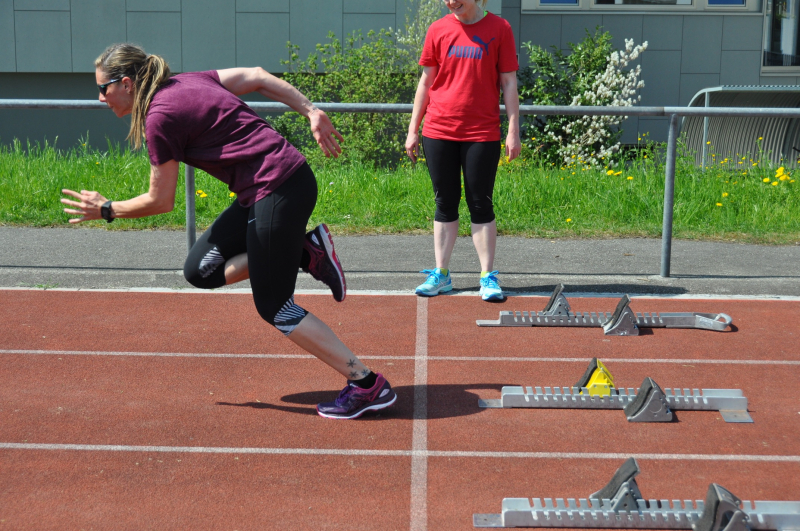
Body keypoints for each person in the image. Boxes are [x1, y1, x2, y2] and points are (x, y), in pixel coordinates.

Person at [60, 43, 396, 419]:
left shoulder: (159, 118)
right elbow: (255, 75)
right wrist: (310, 110)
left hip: (278, 188)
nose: (100, 97)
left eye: (102, 89)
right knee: (200, 270)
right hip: (269, 190)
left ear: (125, 84)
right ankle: (304, 251)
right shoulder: (189, 81)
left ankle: (367, 384)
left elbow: (160, 200)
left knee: (275, 307)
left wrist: (106, 209)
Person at [405, 0, 520, 301]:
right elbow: (426, 81)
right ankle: (441, 274)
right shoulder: (438, 29)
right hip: (438, 130)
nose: (451, 2)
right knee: (445, 201)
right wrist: (413, 129)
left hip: (481, 133)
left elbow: (508, 82)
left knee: (480, 203)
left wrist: (513, 130)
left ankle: (487, 277)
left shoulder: (500, 28)